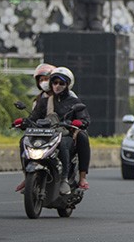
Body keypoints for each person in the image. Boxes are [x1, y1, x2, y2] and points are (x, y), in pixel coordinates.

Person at [15, 64, 93, 192]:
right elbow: (33, 117)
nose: (57, 86)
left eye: (61, 83)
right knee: (24, 140)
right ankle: (27, 176)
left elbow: (84, 118)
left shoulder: (74, 102)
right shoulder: (44, 101)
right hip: (46, 135)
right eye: (55, 83)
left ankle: (70, 179)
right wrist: (23, 122)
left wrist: (79, 122)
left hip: (65, 136)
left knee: (68, 142)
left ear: (67, 85)